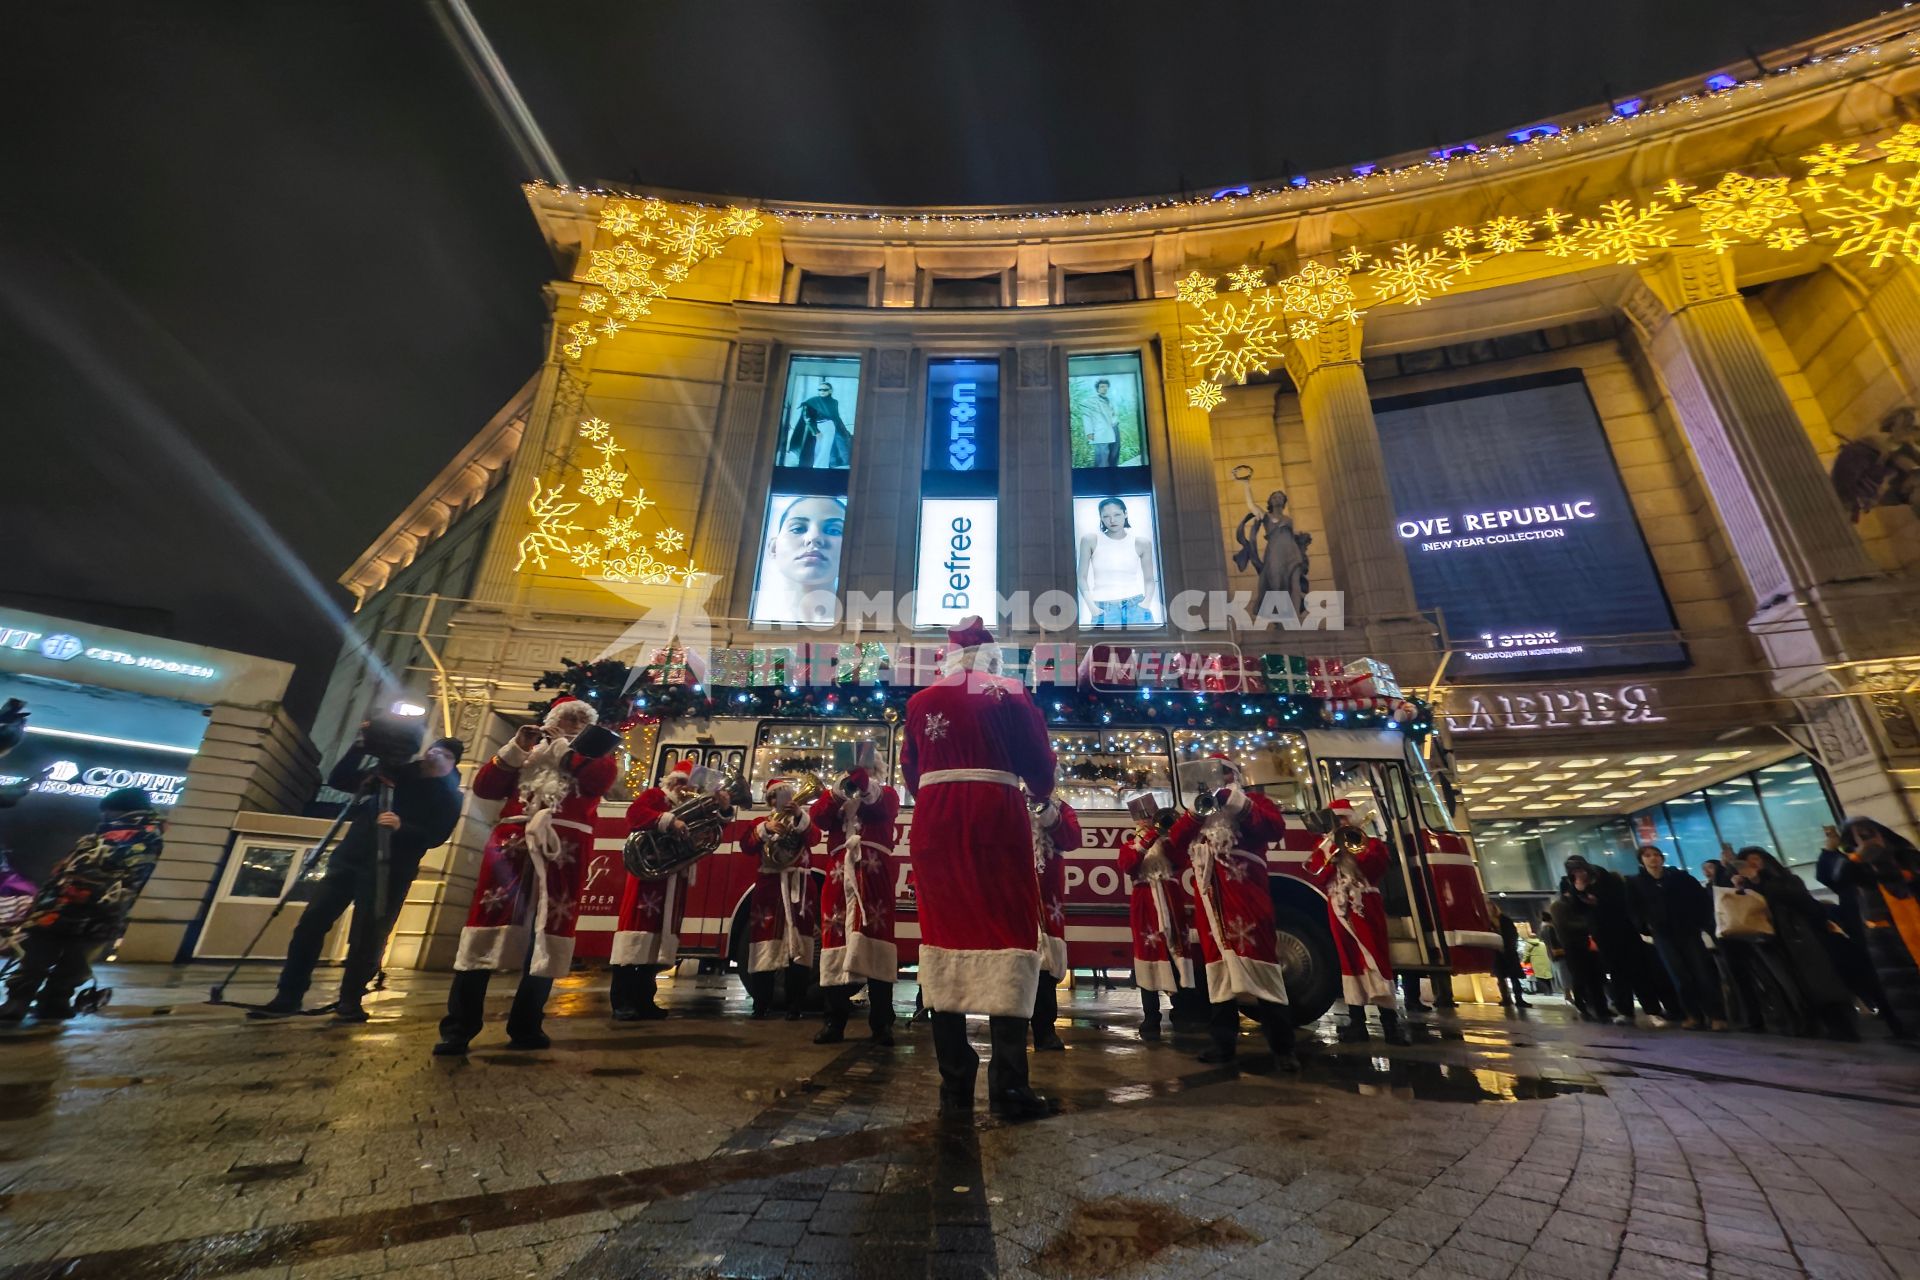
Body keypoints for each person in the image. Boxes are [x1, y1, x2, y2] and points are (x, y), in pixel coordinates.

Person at [901, 616, 1059, 1120]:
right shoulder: (1009, 691)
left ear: (948, 658)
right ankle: (1009, 1083)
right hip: (995, 817)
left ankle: (954, 1081)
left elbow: (910, 772)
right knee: (1006, 935)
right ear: (991, 656)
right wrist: (1039, 791)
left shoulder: (919, 702)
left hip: (935, 825)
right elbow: (1038, 764)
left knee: (943, 935)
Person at [435, 698, 618, 1055]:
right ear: (551, 720)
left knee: (548, 937)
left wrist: (565, 747)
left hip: (562, 852)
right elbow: (486, 787)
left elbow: (598, 780)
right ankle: (458, 1027)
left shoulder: (597, 755)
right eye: (566, 719)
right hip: (511, 847)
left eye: (580, 721)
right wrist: (518, 745)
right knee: (483, 929)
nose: (572, 724)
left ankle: (526, 1025)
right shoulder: (528, 752)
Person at [252, 731, 464, 1023]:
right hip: (350, 860)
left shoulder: (450, 796)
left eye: (447, 755)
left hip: (392, 869)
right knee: (310, 924)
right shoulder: (394, 773)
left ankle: (350, 1000)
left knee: (368, 936)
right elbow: (340, 780)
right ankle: (288, 995)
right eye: (436, 749)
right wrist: (359, 746)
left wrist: (403, 826)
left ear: (454, 766)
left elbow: (436, 836)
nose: (437, 755)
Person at [1167, 754, 1301, 1070]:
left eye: (1224, 775)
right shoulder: (1198, 810)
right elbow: (1174, 845)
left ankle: (1283, 1049)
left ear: (1233, 777)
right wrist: (1195, 816)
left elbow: (1275, 827)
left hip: (1247, 898)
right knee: (1218, 974)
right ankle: (1223, 1044)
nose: (1218, 782)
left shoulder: (1251, 801)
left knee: (1262, 967)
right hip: (1211, 901)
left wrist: (1235, 802)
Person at [2, 788, 161, 1023]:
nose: (104, 816)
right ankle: (32, 1002)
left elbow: (102, 873)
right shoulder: (107, 835)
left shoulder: (140, 837)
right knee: (52, 959)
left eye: (108, 811)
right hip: (75, 912)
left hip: (86, 912)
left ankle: (44, 1002)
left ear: (122, 810)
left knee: (59, 961)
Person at [610, 759, 720, 1021]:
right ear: (671, 781)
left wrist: (722, 808)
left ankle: (645, 1000)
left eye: (689, 785)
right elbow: (633, 815)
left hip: (673, 881)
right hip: (648, 881)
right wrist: (668, 821)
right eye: (681, 783)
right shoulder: (655, 796)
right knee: (635, 940)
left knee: (656, 944)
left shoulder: (690, 809)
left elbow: (713, 830)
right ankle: (622, 1001)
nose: (684, 789)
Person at [1303, 798, 1408, 1044]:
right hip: (1338, 904)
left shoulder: (1369, 842)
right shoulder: (1325, 844)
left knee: (1376, 958)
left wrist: (1353, 848)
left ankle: (1390, 1025)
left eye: (1343, 819)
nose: (1340, 824)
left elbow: (1376, 868)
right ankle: (1357, 1023)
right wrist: (1331, 851)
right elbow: (1317, 875)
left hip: (1365, 901)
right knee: (1348, 960)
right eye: (1336, 820)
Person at [811, 763, 899, 1046]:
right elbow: (819, 819)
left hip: (873, 875)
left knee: (877, 944)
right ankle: (834, 1021)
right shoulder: (838, 798)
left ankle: (882, 1023)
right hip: (839, 874)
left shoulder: (887, 793)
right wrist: (839, 791)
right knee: (835, 943)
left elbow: (881, 806)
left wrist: (863, 783)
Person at [1734, 847, 1858, 1041]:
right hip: (1771, 941)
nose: (1753, 865)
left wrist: (1758, 881)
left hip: (1799, 937)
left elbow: (1796, 898)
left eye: (1756, 859)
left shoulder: (1785, 880)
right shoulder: (1745, 886)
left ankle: (1840, 1026)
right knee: (1791, 985)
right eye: (1747, 863)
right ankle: (1806, 1023)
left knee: (1818, 981)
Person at [1822, 818, 1920, 1038]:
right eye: (1858, 837)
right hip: (1891, 939)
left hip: (1912, 925)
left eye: (1869, 833)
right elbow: (1837, 877)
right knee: (1908, 994)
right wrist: (1859, 854)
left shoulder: (1905, 855)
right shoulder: (1856, 865)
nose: (1867, 840)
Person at [737, 778, 819, 1019]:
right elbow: (746, 845)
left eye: (785, 797)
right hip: (770, 888)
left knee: (800, 948)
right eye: (776, 797)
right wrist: (766, 829)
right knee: (764, 946)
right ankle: (761, 1003)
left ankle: (795, 1005)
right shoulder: (760, 823)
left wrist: (799, 817)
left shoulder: (800, 822)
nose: (780, 801)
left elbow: (814, 838)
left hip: (799, 888)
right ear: (770, 800)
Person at [1627, 845, 1726, 1031]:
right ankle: (1693, 1014)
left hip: (1687, 930)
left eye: (1656, 855)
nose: (1653, 859)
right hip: (1663, 933)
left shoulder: (1679, 877)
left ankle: (1716, 1015)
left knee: (1702, 972)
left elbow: (1699, 899)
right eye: (1648, 856)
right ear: (1642, 860)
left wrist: (1698, 921)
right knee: (1679, 974)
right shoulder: (1636, 883)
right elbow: (1634, 908)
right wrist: (1646, 927)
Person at [1117, 804, 1192, 1041]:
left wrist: (1166, 836)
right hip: (1144, 905)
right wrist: (1147, 837)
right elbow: (1128, 865)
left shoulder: (1168, 844)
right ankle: (1151, 1017)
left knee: (1175, 954)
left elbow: (1182, 860)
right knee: (1146, 957)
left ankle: (1181, 1012)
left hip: (1169, 899)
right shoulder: (1130, 845)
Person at [1029, 797, 1082, 1052]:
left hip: (1047, 898)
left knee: (1047, 965)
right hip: (1012, 887)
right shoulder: (1007, 798)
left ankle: (1044, 1031)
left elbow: (1072, 839)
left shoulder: (1060, 807)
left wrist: (1046, 810)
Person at [753, 495, 845, 624]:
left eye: (834, 531)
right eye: (797, 529)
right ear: (774, 548)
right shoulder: (761, 615)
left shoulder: (862, 620)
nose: (813, 538)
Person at [1077, 497, 1157, 627]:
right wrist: (1093, 608)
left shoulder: (1141, 543)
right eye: (1106, 516)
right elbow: (1081, 577)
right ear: (1101, 518)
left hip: (1136, 605)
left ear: (1125, 514)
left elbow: (1149, 579)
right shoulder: (1090, 540)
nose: (1112, 520)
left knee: (1146, 646)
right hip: (1103, 607)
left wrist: (1145, 604)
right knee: (1106, 647)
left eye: (1117, 514)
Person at [784, 378, 852, 468]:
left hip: (830, 426)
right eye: (820, 389)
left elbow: (836, 417)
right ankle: (817, 466)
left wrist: (843, 431)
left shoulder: (834, 402)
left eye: (825, 389)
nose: (822, 391)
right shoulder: (812, 401)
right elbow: (807, 417)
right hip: (817, 426)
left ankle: (822, 467)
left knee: (826, 448)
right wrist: (815, 431)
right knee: (817, 448)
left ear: (830, 391)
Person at [1490, 902, 1531, 1009]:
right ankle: (1506, 998)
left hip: (1508, 952)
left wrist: (1509, 946)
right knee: (1501, 977)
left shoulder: (1504, 920)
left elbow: (1513, 935)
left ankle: (1518, 999)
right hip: (1498, 953)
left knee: (1514, 977)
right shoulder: (1488, 922)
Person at [1080, 377, 1122, 468]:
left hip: (1114, 428)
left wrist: (1115, 422)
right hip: (1101, 430)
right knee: (1102, 454)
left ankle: (1113, 472)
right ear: (1097, 388)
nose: (1104, 388)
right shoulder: (1091, 401)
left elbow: (1115, 414)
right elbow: (1086, 417)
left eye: (1106, 387)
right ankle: (1101, 475)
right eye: (1102, 386)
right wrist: (1089, 432)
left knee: (1115, 451)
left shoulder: (1111, 400)